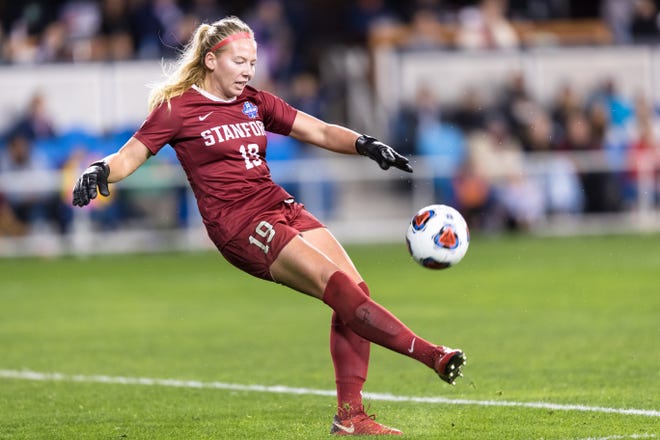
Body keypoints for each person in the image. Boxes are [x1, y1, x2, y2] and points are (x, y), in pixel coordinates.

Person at [71, 16, 466, 436]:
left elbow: (318, 129)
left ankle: (350, 418)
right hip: (239, 224)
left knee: (356, 292)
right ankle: (432, 355)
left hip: (277, 204)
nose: (247, 70)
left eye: (252, 62)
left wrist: (365, 145)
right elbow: (130, 156)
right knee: (341, 290)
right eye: (239, 61)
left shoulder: (255, 102)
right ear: (211, 60)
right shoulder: (178, 109)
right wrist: (100, 169)